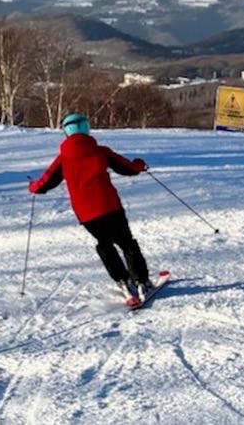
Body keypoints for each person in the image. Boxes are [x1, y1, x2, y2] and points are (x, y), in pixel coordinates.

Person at [28, 112, 154, 304]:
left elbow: (46, 182)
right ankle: (141, 282)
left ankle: (122, 280)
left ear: (66, 133)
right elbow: (127, 168)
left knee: (104, 244)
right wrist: (139, 165)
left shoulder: (63, 159)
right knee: (127, 243)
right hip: (110, 206)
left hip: (87, 214)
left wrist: (33, 187)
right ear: (86, 129)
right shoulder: (101, 151)